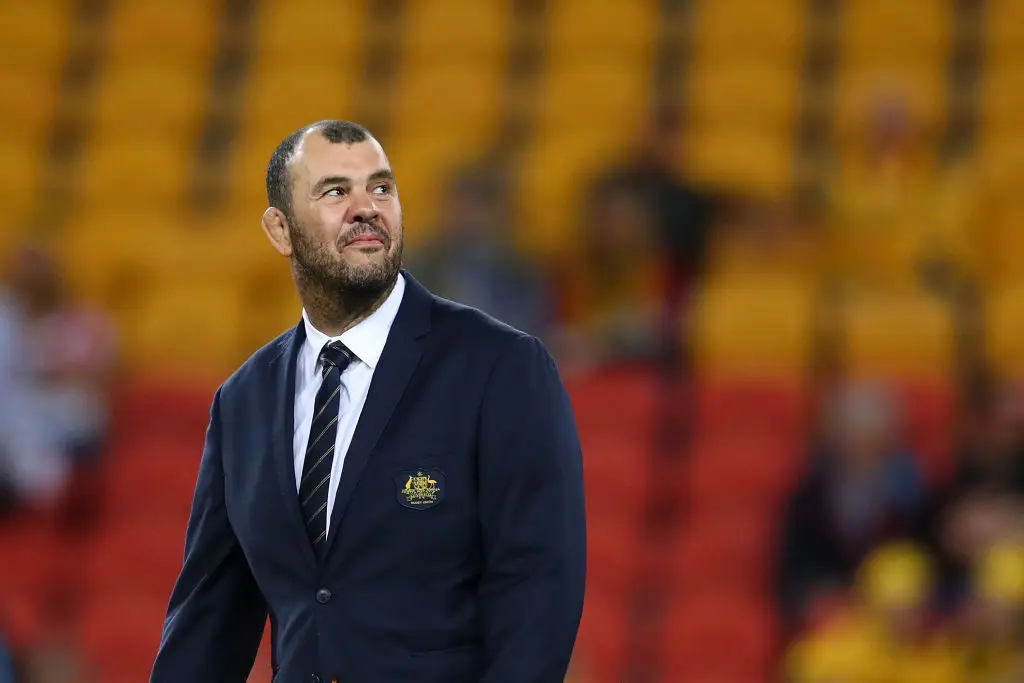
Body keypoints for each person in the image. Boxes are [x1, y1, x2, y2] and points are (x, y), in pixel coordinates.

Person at [150, 120, 587, 683]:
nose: (367, 208)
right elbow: (209, 618)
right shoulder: (243, 400)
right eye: (336, 191)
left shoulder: (500, 367)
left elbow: (538, 586)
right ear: (280, 229)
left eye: (381, 188)